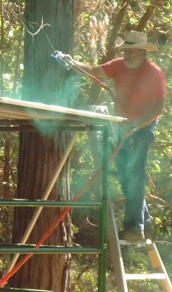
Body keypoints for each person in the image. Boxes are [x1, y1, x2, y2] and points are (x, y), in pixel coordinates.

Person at [62, 31, 166, 242]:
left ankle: (134, 228)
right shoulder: (118, 65)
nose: (126, 54)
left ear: (142, 52)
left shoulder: (154, 73)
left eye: (131, 50)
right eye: (125, 50)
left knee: (134, 175)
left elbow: (158, 108)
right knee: (126, 175)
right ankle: (144, 222)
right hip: (123, 126)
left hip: (142, 128)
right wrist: (72, 62)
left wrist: (136, 126)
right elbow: (94, 71)